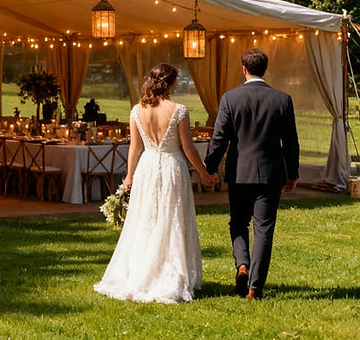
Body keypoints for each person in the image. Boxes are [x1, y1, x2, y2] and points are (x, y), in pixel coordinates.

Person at [95, 63, 216, 303]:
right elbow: (188, 147)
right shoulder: (179, 110)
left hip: (147, 168)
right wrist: (203, 172)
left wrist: (130, 175)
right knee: (171, 218)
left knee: (146, 219)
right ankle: (167, 273)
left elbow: (135, 149)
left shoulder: (136, 110)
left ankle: (143, 271)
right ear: (170, 84)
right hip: (172, 166)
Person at [204, 49, 298, 300]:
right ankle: (255, 288)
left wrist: (209, 168)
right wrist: (293, 173)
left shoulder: (230, 98)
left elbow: (219, 139)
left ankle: (242, 265)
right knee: (264, 229)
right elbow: (291, 142)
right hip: (271, 174)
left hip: (239, 173)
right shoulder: (283, 99)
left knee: (238, 222)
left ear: (243, 68)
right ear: (264, 69)